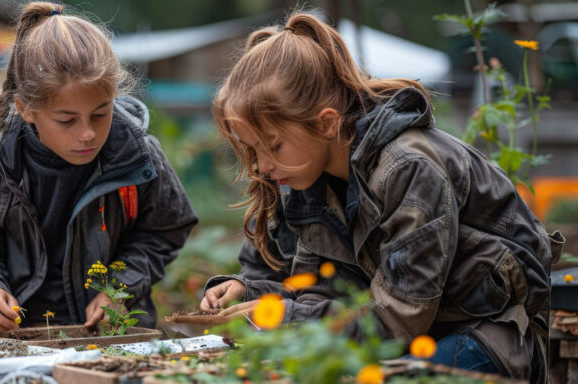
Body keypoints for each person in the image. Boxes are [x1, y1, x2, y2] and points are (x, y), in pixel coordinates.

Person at [200, 11, 563, 383]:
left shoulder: (407, 170)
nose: (260, 167)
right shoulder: (313, 183)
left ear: (326, 123)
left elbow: (397, 318)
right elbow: (323, 295)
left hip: (488, 335)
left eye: (273, 145)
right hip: (416, 334)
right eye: (253, 151)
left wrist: (281, 318)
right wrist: (253, 294)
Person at [0, 1, 197, 334]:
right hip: (18, 339)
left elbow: (166, 230)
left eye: (101, 113)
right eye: (66, 120)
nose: (87, 134)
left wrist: (119, 289)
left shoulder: (138, 157)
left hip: (113, 338)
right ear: (26, 109)